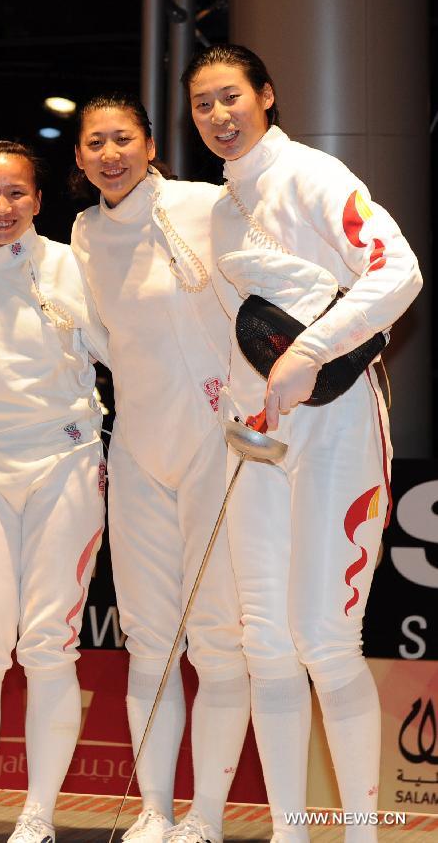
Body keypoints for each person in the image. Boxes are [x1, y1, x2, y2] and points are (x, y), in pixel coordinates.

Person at [183, 44, 422, 842]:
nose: (219, 115)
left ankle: (359, 834)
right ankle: (289, 831)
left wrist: (313, 350)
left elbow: (400, 271)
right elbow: (239, 336)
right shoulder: (219, 210)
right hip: (255, 443)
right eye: (203, 104)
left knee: (325, 636)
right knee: (266, 644)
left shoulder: (314, 176)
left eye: (231, 97)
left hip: (339, 425)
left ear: (267, 95)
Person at [70, 94, 250, 843]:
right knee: (149, 641)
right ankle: (154, 810)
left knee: (217, 639)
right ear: (78, 158)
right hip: (139, 449)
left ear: (149, 143)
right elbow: (101, 341)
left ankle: (205, 816)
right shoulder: (82, 232)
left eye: (123, 139)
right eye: (95, 144)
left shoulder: (208, 204)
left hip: (215, 442)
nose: (110, 154)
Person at [0, 140, 108, 843]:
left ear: (38, 200)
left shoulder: (72, 266)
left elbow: (128, 352)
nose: (1, 207)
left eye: (15, 194)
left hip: (65, 466)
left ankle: (38, 816)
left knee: (48, 645)